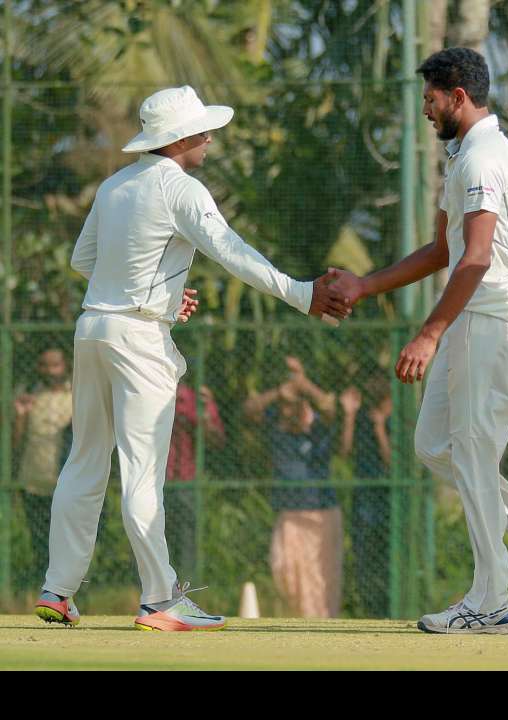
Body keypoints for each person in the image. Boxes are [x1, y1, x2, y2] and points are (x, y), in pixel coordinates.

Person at [34, 85, 350, 631]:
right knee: (141, 473)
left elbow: (82, 260)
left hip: (93, 327)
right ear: (179, 138)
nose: (209, 137)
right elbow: (232, 252)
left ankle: (57, 590)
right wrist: (302, 294)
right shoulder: (182, 188)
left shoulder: (114, 186)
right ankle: (160, 600)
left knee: (85, 461)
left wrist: (157, 295)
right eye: (203, 130)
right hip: (137, 342)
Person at [327, 48, 508, 634]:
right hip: (471, 313)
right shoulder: (462, 154)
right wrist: (366, 285)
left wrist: (428, 333)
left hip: (491, 314)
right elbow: (443, 252)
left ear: (459, 96)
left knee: (471, 449)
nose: (425, 109)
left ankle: (490, 600)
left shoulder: (485, 156)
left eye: (431, 98)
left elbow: (477, 257)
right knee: (433, 445)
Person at [245, 357, 343, 618]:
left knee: (321, 577)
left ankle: (323, 624)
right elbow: (249, 410)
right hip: (289, 512)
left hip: (321, 512)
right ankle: (296, 618)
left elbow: (332, 409)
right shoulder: (276, 424)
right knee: (284, 571)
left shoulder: (319, 426)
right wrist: (280, 392)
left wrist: (303, 384)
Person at [13, 348, 73, 590]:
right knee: (39, 544)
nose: (50, 371)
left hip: (69, 486)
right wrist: (20, 416)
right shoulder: (29, 396)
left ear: (64, 366)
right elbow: (14, 442)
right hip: (35, 482)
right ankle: (42, 593)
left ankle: (70, 592)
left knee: (68, 545)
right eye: (45, 365)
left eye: (55, 365)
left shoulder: (77, 394)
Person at [339, 376, 393, 618]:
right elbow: (345, 451)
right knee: (364, 551)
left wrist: (380, 428)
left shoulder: (397, 420)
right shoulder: (361, 418)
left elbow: (393, 462)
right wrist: (349, 416)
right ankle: (366, 603)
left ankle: (389, 603)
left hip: (389, 498)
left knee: (387, 552)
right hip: (364, 495)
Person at [165, 383, 226, 575]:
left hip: (186, 479)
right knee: (152, 534)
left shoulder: (196, 399)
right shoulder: (150, 391)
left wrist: (201, 415)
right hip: (156, 478)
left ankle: (185, 583)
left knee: (186, 535)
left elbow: (217, 439)